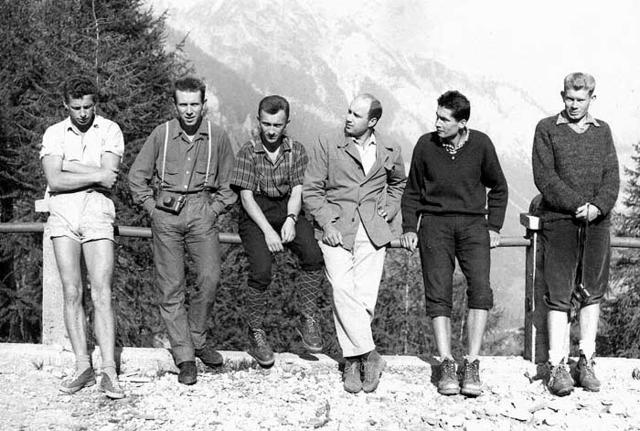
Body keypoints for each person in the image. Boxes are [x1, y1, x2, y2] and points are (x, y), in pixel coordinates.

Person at [128, 76, 236, 385]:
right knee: (171, 285)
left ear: (204, 105)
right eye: (183, 104)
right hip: (166, 213)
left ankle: (198, 338)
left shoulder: (218, 136)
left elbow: (230, 186)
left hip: (202, 211)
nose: (189, 111)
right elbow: (137, 177)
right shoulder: (161, 134)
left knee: (209, 277)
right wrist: (153, 210)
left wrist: (212, 210)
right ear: (175, 105)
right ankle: (185, 354)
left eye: (194, 104)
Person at [400, 90, 508, 397]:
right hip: (434, 225)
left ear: (462, 123)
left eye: (444, 119)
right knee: (438, 291)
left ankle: (472, 362)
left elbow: (499, 187)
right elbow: (412, 192)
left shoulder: (481, 144)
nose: (436, 123)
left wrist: (494, 226)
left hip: (474, 224)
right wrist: (410, 227)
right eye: (436, 116)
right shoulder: (425, 145)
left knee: (481, 289)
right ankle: (446, 363)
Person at [303, 94, 406, 394]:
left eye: (357, 115)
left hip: (372, 229)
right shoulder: (327, 143)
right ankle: (369, 355)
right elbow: (312, 189)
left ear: (372, 121)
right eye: (348, 111)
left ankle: (352, 360)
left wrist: (391, 206)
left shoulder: (390, 149)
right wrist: (327, 224)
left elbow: (399, 183)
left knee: (364, 296)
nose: (348, 118)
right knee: (341, 288)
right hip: (337, 227)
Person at [532, 72, 619, 396]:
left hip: (597, 223)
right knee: (558, 292)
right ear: (562, 95)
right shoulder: (546, 129)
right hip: (560, 221)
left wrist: (597, 207)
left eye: (580, 100)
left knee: (592, 291)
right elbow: (545, 177)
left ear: (591, 99)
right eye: (569, 98)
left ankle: (586, 361)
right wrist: (576, 205)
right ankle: (557, 366)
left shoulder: (603, 131)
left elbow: (612, 175)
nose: (574, 105)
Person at [40, 76, 125, 399]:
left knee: (101, 291)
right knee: (72, 290)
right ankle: (81, 365)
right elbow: (54, 180)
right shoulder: (54, 133)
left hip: (97, 211)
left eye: (88, 106)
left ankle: (108, 370)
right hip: (62, 212)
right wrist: (94, 174)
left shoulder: (109, 130)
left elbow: (111, 177)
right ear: (66, 105)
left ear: (96, 104)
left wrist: (69, 168)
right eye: (76, 107)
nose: (83, 113)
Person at [230, 95, 325, 367]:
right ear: (259, 121)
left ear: (287, 124)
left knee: (312, 254)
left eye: (277, 125)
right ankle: (256, 331)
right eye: (266, 124)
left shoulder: (296, 150)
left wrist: (291, 219)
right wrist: (268, 232)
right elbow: (246, 198)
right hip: (255, 211)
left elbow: (297, 190)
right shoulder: (248, 151)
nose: (271, 131)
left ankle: (308, 317)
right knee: (261, 268)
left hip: (286, 207)